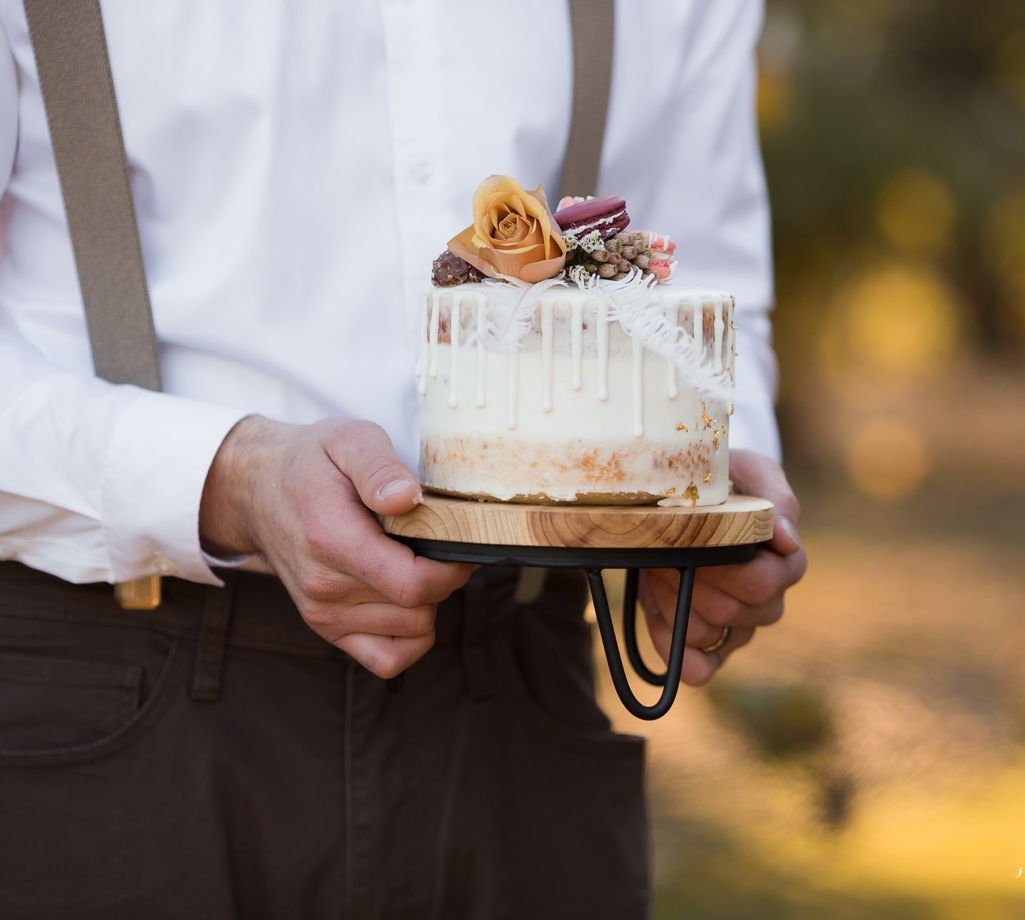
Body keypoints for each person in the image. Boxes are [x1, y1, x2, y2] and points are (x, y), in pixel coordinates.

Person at [0, 3, 802, 916]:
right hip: (111, 693)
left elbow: (704, 279)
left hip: (521, 690)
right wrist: (226, 476)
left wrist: (709, 483)